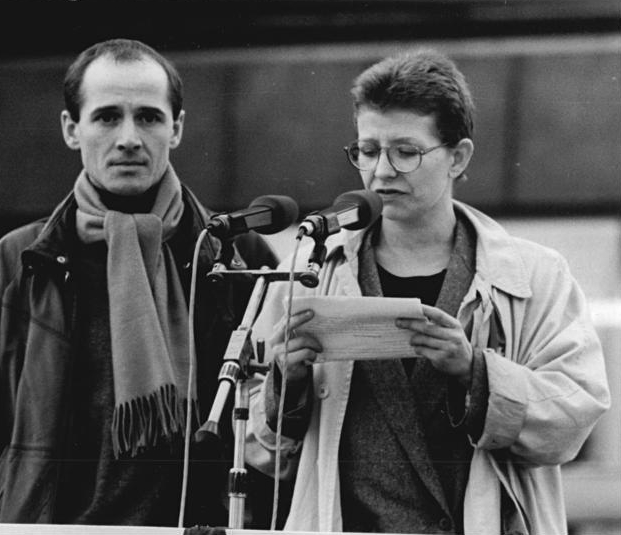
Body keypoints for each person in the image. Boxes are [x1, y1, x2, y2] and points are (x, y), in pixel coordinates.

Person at [245, 49, 610, 534]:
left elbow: (573, 418)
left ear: (458, 157)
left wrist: (475, 373)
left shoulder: (536, 276)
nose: (382, 171)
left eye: (406, 151)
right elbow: (257, 448)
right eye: (368, 150)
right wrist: (284, 385)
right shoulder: (311, 269)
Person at [0, 38, 278, 525]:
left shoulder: (236, 257)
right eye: (106, 117)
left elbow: (272, 426)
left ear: (176, 128)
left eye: (148, 117)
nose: (128, 138)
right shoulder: (16, 262)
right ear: (71, 129)